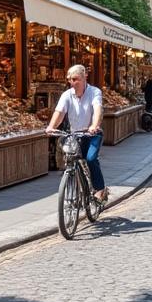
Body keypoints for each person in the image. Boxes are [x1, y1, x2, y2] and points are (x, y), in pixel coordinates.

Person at [45, 64, 107, 202]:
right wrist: (51, 126)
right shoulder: (67, 95)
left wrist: (94, 126)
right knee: (71, 160)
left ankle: (100, 189)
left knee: (90, 159)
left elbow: (97, 109)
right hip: (75, 135)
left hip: (92, 134)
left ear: (85, 77)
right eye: (69, 79)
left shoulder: (94, 92)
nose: (72, 82)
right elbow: (59, 112)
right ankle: (76, 185)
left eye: (75, 79)